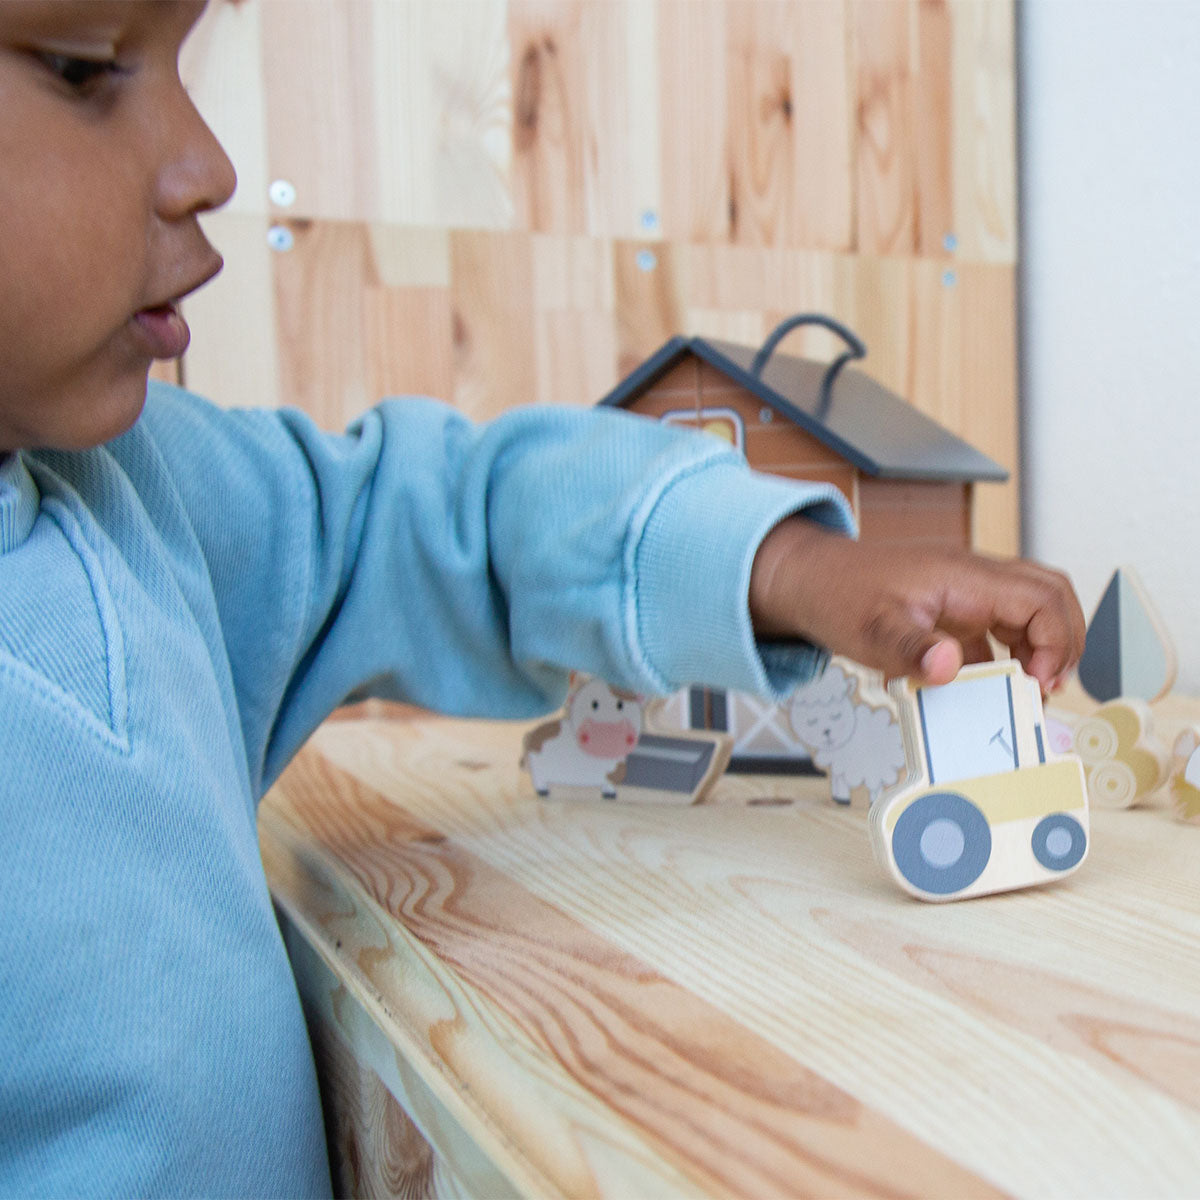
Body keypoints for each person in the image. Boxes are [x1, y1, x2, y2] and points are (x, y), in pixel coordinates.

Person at [0, 1, 1086, 1194]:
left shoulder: (146, 490)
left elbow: (428, 516)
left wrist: (784, 565)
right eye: (84, 68)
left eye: (179, 63)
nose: (208, 163)